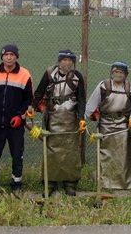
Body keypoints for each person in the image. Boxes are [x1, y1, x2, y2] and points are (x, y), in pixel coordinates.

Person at [33, 50, 86, 196]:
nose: (67, 62)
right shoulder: (49, 73)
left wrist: (81, 118)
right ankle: (50, 182)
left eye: (70, 60)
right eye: (64, 60)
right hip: (52, 117)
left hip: (71, 118)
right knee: (51, 150)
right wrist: (32, 107)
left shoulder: (77, 77)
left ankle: (70, 183)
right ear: (59, 61)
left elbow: (81, 98)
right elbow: (39, 92)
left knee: (71, 151)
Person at [85, 61, 131, 190]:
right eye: (116, 72)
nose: (118, 74)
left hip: (123, 125)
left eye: (121, 72)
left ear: (125, 74)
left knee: (123, 156)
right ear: (111, 73)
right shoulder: (103, 86)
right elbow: (92, 104)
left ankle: (124, 183)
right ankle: (105, 182)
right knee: (106, 155)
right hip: (105, 125)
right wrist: (83, 119)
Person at [0, 44, 33, 192]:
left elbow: (28, 100)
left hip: (15, 125)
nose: (9, 57)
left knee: (17, 155)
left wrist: (21, 116)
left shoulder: (25, 74)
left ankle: (16, 183)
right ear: (2, 57)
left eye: (12, 55)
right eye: (6, 54)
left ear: (16, 57)